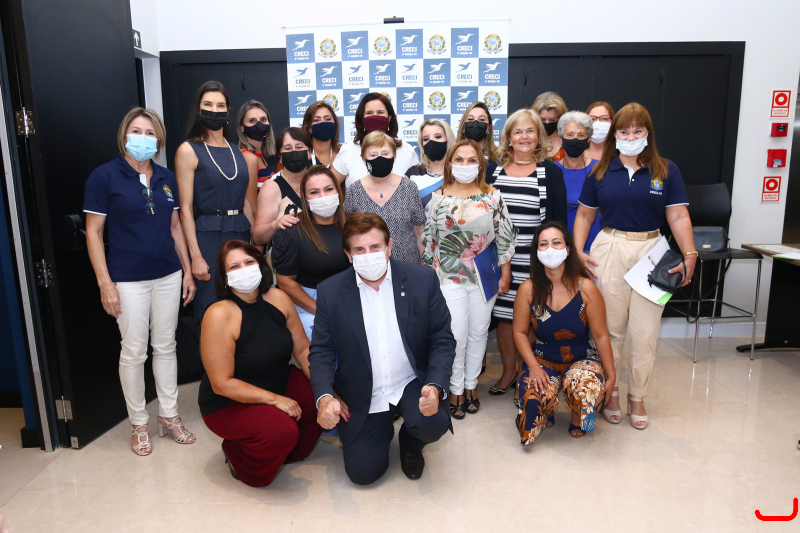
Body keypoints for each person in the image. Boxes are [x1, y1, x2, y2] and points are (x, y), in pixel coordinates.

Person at [575, 102, 697, 430]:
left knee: (646, 333)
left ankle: (637, 396)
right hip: (610, 248)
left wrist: (690, 254)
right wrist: (578, 251)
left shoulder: (666, 170)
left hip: (652, 252)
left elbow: (678, 215)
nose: (631, 137)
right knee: (610, 329)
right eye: (624, 131)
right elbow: (584, 215)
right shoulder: (600, 171)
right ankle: (612, 391)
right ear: (615, 135)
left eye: (637, 131)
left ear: (648, 133)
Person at [309, 212, 455, 484]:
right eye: (359, 250)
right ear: (348, 255)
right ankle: (382, 426)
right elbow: (321, 351)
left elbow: (441, 338)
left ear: (389, 247)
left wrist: (435, 386)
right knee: (363, 474)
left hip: (411, 382)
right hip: (364, 390)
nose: (369, 255)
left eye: (375, 246)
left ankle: (411, 442)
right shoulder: (331, 292)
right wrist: (325, 397)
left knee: (431, 423)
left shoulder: (422, 279)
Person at [84, 107, 196, 456]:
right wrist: (105, 283)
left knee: (166, 346)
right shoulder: (104, 177)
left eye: (150, 133)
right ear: (124, 135)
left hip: (168, 274)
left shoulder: (165, 177)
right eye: (136, 131)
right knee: (133, 351)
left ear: (159, 140)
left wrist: (187, 271)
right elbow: (93, 232)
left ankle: (169, 415)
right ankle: (139, 424)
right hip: (128, 279)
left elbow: (174, 227)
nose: (143, 138)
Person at [199, 240, 324, 487]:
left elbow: (302, 350)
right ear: (225, 278)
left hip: (276, 380)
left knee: (317, 398)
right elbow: (222, 384)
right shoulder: (219, 314)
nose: (244, 270)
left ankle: (279, 449)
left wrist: (326, 389)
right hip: (229, 402)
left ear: (261, 265)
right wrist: (275, 400)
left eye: (249, 262)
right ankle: (235, 453)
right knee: (282, 432)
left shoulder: (279, 298)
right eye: (234, 267)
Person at [422, 140, 516, 419]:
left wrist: (506, 274)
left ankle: (471, 385)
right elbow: (430, 241)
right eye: (459, 160)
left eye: (471, 160)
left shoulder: (493, 196)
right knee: (456, 334)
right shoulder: (438, 197)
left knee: (479, 332)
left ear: (480, 164)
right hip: (448, 275)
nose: (465, 165)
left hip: (484, 277)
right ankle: (455, 388)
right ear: (451, 164)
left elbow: (504, 237)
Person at [486, 109, 568, 406]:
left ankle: (525, 375)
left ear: (539, 137)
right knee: (504, 317)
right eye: (518, 131)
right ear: (508, 136)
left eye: (530, 131)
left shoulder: (551, 172)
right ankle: (508, 372)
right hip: (499, 259)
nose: (524, 136)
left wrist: (556, 258)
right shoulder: (492, 169)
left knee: (532, 317)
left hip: (536, 259)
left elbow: (558, 220)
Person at [513, 221, 615, 444]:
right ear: (537, 252)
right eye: (543, 244)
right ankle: (545, 409)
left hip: (581, 359)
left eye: (556, 243)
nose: (550, 249)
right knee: (531, 406)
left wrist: (611, 374)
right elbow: (519, 333)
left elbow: (600, 335)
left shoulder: (586, 288)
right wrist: (532, 367)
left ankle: (578, 414)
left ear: (568, 250)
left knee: (586, 389)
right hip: (542, 360)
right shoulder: (528, 289)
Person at [175, 80, 254, 320]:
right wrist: (195, 256)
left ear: (228, 111)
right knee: (211, 309)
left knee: (244, 304)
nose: (215, 110)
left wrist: (255, 243)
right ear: (199, 110)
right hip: (208, 239)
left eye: (220, 106)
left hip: (240, 234)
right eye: (208, 105)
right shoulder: (189, 150)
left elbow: (245, 201)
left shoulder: (236, 150)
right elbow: (185, 209)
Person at [272, 166, 350, 339]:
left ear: (338, 192)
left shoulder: (354, 225)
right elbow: (285, 281)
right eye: (314, 192)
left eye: (328, 189)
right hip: (308, 304)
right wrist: (321, 311)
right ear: (305, 199)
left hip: (350, 297)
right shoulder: (292, 231)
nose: (323, 196)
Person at [344, 131, 426, 263]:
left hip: (408, 265)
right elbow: (349, 234)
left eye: (385, 154)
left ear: (394, 156)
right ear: (364, 159)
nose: (380, 159)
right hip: (369, 265)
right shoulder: (354, 191)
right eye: (373, 155)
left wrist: (423, 264)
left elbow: (419, 231)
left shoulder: (409, 187)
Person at [331, 92, 419, 188]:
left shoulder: (406, 151)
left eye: (380, 112)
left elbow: (418, 189)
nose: (375, 117)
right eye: (369, 113)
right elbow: (328, 185)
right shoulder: (349, 151)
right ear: (362, 119)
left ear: (389, 118)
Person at [252, 127, 313, 245]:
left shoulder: (319, 180)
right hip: (286, 254)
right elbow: (258, 237)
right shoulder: (272, 186)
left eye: (299, 147)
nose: (294, 152)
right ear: (280, 156)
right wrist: (275, 225)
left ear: (309, 152)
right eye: (287, 148)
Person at [555, 111, 602, 252]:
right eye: (570, 135)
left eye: (581, 135)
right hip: (560, 248)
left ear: (588, 139)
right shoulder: (551, 171)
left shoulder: (600, 169)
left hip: (595, 246)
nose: (575, 139)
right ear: (561, 138)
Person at [405, 118, 456, 217]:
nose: (431, 142)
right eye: (426, 139)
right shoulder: (412, 173)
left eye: (438, 137)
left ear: (448, 140)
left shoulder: (459, 172)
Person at [236, 100, 279, 189]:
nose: (259, 124)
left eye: (263, 120)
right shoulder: (246, 158)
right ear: (242, 127)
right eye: (252, 121)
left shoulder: (260, 155)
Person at [456, 102, 499, 173]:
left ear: (488, 128)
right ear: (463, 127)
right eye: (470, 119)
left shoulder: (499, 159)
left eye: (482, 120)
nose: (475, 123)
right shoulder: (452, 156)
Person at [302, 100, 342, 168]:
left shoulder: (344, 154)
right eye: (316, 120)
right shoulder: (302, 157)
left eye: (328, 119)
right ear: (309, 128)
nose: (323, 122)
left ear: (335, 124)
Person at [532, 91, 568, 162]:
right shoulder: (528, 139)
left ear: (560, 118)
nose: (547, 123)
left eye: (552, 120)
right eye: (542, 120)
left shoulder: (567, 139)